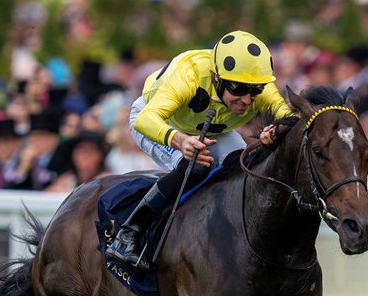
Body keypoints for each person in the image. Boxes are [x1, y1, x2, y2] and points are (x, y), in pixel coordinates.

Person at [106, 30, 292, 268]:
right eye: (237, 89)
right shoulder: (189, 75)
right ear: (216, 78)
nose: (247, 100)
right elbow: (146, 119)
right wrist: (181, 141)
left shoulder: (256, 82)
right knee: (195, 166)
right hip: (161, 123)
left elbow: (290, 118)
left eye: (254, 91)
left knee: (243, 165)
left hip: (212, 128)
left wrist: (278, 130)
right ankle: (129, 232)